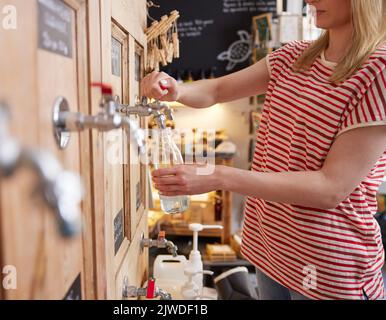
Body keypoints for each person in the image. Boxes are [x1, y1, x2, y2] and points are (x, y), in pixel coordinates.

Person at [141, 0, 386, 300]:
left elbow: (330, 187)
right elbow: (217, 90)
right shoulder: (294, 56)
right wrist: (176, 89)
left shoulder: (377, 72)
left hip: (329, 270)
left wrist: (219, 176)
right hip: (271, 253)